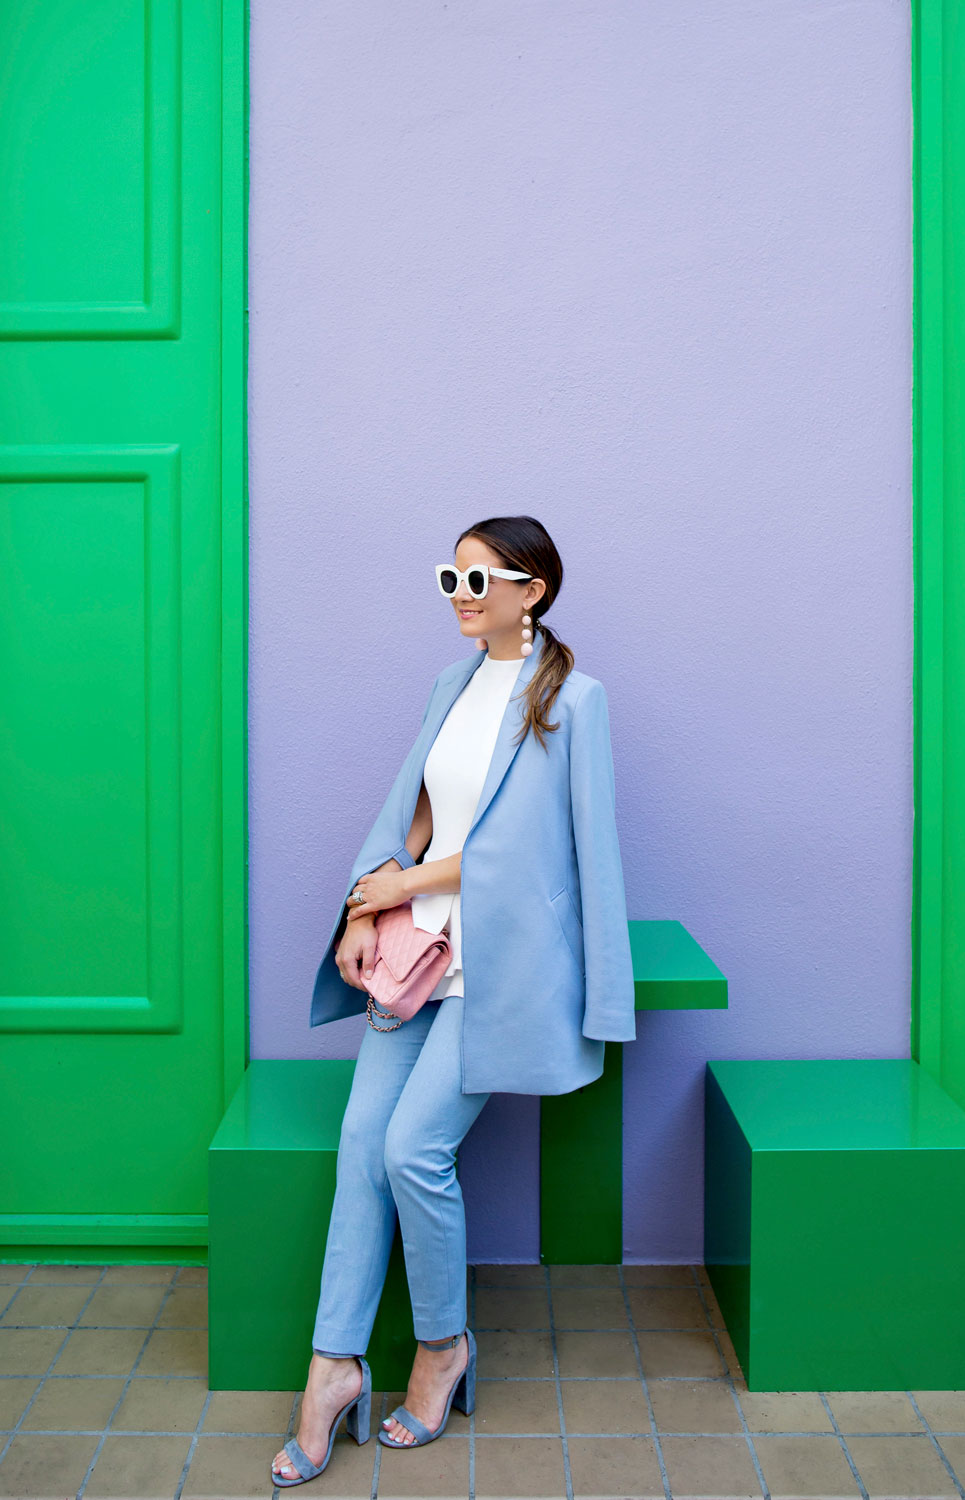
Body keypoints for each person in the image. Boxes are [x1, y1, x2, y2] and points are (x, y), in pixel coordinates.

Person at [272, 515, 635, 1485]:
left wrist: (606, 997)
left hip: (499, 972)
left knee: (410, 1150)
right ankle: (333, 1367)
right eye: (451, 576)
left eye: (482, 579)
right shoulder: (453, 685)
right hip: (417, 961)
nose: (462, 594)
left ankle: (441, 1348)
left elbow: (564, 855)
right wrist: (363, 902)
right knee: (361, 1149)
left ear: (535, 591)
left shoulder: (574, 701)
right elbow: (414, 814)